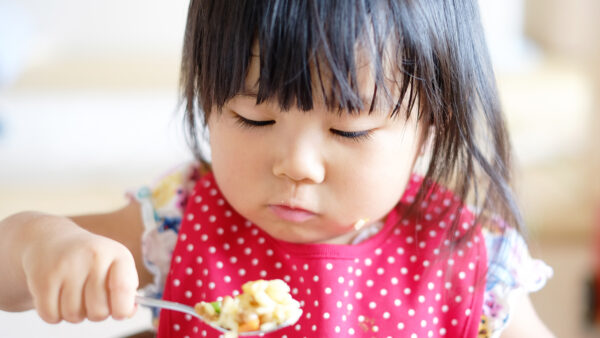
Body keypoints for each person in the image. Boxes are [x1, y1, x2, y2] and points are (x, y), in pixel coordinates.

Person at [0, 0, 554, 337]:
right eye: (252, 118)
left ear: (433, 123)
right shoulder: (179, 224)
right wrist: (41, 244)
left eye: (349, 131)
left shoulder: (467, 256)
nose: (296, 165)